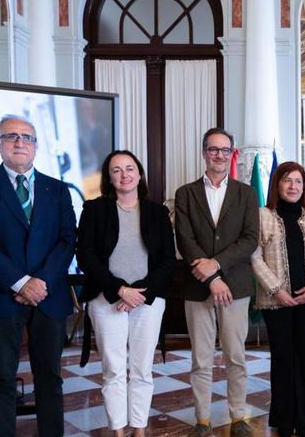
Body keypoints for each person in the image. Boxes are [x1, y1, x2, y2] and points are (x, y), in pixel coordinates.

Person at [0, 114, 76, 436]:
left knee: (50, 376)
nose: (20, 142)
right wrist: (21, 282)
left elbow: (68, 239)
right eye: (11, 137)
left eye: (27, 137)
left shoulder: (58, 188)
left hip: (48, 295)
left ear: (36, 146)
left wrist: (41, 282)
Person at [76, 150, 174, 436]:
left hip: (147, 301)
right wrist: (119, 289)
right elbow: (86, 256)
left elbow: (168, 258)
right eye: (116, 170)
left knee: (142, 369)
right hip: (107, 299)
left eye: (130, 168)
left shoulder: (157, 212)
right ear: (109, 177)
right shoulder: (94, 209)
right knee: (114, 370)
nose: (124, 175)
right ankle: (118, 430)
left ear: (139, 174)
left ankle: (140, 428)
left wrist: (140, 294)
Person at [175, 128, 259, 437]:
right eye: (213, 149)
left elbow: (250, 239)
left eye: (225, 150)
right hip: (198, 287)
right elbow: (185, 240)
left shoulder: (246, 193)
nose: (219, 155)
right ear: (204, 153)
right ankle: (203, 420)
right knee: (201, 358)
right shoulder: (186, 193)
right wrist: (211, 277)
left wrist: (218, 266)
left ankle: (238, 417)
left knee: (236, 356)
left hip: (235, 286)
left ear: (232, 154)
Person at [251, 161, 305, 437]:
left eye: (298, 181)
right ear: (277, 185)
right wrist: (277, 289)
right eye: (287, 180)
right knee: (282, 358)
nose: (293, 186)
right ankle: (284, 421)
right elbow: (254, 256)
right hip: (277, 302)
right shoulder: (262, 215)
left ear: (304, 186)